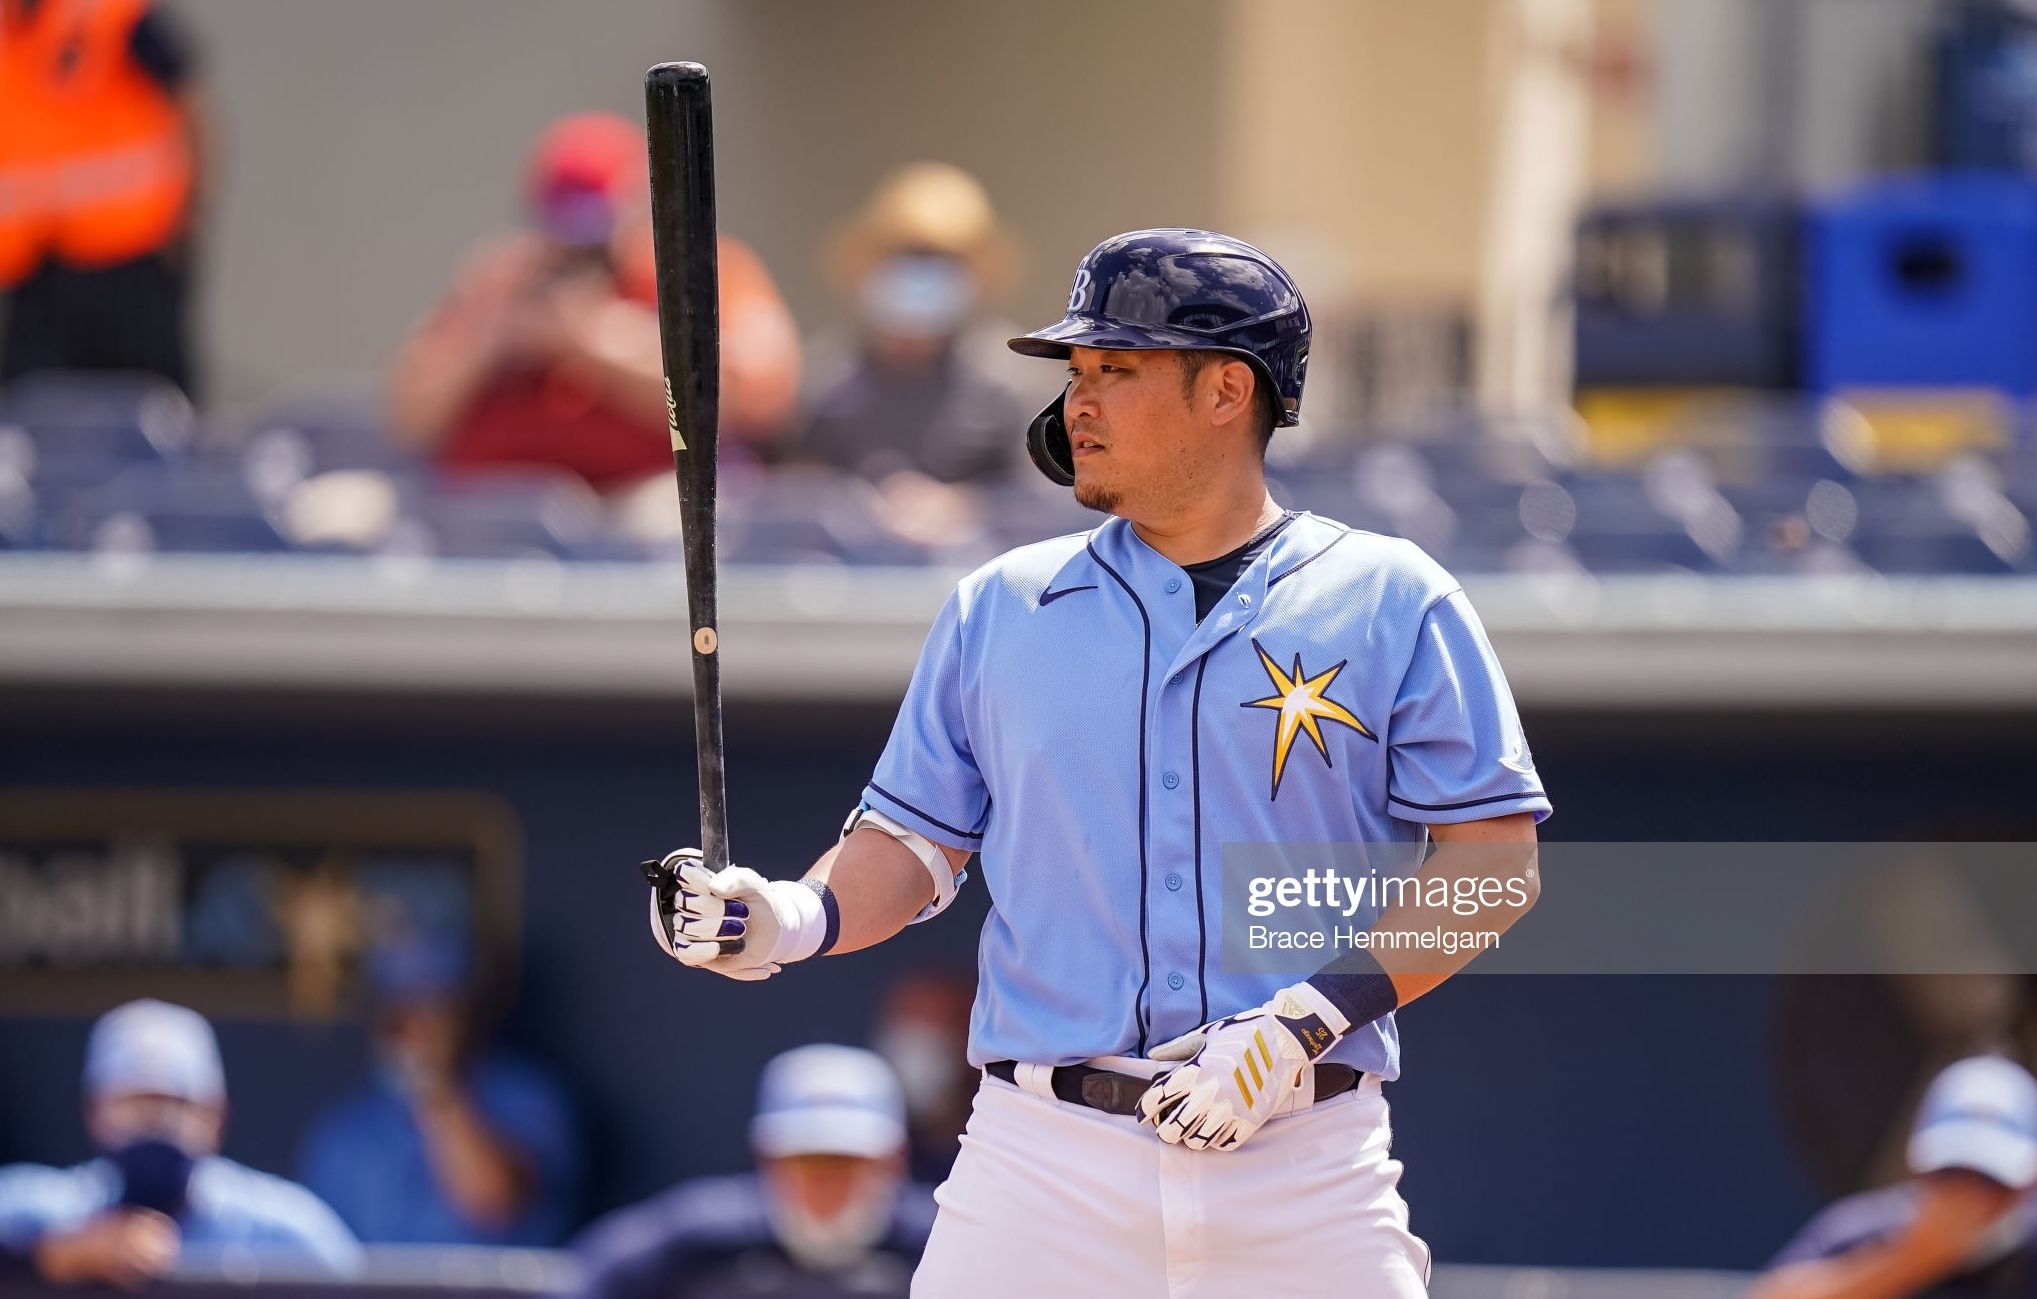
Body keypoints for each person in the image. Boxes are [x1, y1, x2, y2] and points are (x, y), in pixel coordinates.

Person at [642, 229, 1550, 1296]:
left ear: (1226, 390)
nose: (1080, 402)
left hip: (1302, 1160)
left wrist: (1311, 1017)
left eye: (1117, 371)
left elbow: (1495, 867)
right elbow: (914, 844)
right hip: (1043, 1161)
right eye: (1077, 373)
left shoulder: (1394, 597)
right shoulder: (1003, 603)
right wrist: (788, 919)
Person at [387, 111, 799, 492]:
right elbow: (409, 420)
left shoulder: (698, 271)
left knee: (661, 528)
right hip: (489, 503)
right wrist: (489, 340)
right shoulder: (502, 281)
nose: (577, 247)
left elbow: (754, 400)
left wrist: (593, 342)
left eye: (595, 228)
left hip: (645, 500)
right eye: (561, 227)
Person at [0, 999, 360, 1283]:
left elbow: (364, 1286)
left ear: (216, 1117)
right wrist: (50, 1256)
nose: (158, 1123)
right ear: (94, 1112)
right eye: (137, 1102)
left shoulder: (282, 1231)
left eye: (178, 1103)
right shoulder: (50, 1209)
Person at [572, 1044, 936, 1299]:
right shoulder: (695, 1234)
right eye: (806, 1160)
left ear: (895, 1159)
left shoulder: (940, 1243)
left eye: (846, 1161)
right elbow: (583, 1279)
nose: (825, 1182)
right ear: (767, 1159)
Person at [295, 938, 582, 1246]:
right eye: (397, 1006)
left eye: (432, 1005)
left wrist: (433, 1089)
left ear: (470, 1012)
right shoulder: (347, 1129)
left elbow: (493, 1202)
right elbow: (322, 1258)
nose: (412, 1024)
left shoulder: (528, 1098)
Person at [0, 0, 208, 396]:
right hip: (35, 271)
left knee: (155, 414)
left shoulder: (107, 13)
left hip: (130, 258)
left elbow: (190, 99)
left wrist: (191, 218)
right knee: (31, 420)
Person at [791, 162, 1040, 488]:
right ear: (867, 265)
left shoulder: (1011, 381)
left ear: (976, 272)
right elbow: (796, 492)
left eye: (941, 259)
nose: (920, 272)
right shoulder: (829, 378)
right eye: (904, 255)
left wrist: (960, 511)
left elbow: (1038, 504)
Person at [1752, 1055, 2037, 1299]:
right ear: (1918, 1168)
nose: (1967, 1195)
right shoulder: (1861, 1230)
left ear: (2028, 1184)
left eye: (1990, 1180)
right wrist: (1912, 1259)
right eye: (1951, 1172)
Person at [870, 968, 975, 1184]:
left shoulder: (996, 1143)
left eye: (934, 1028)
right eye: (907, 1025)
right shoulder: (873, 1145)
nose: (916, 1048)